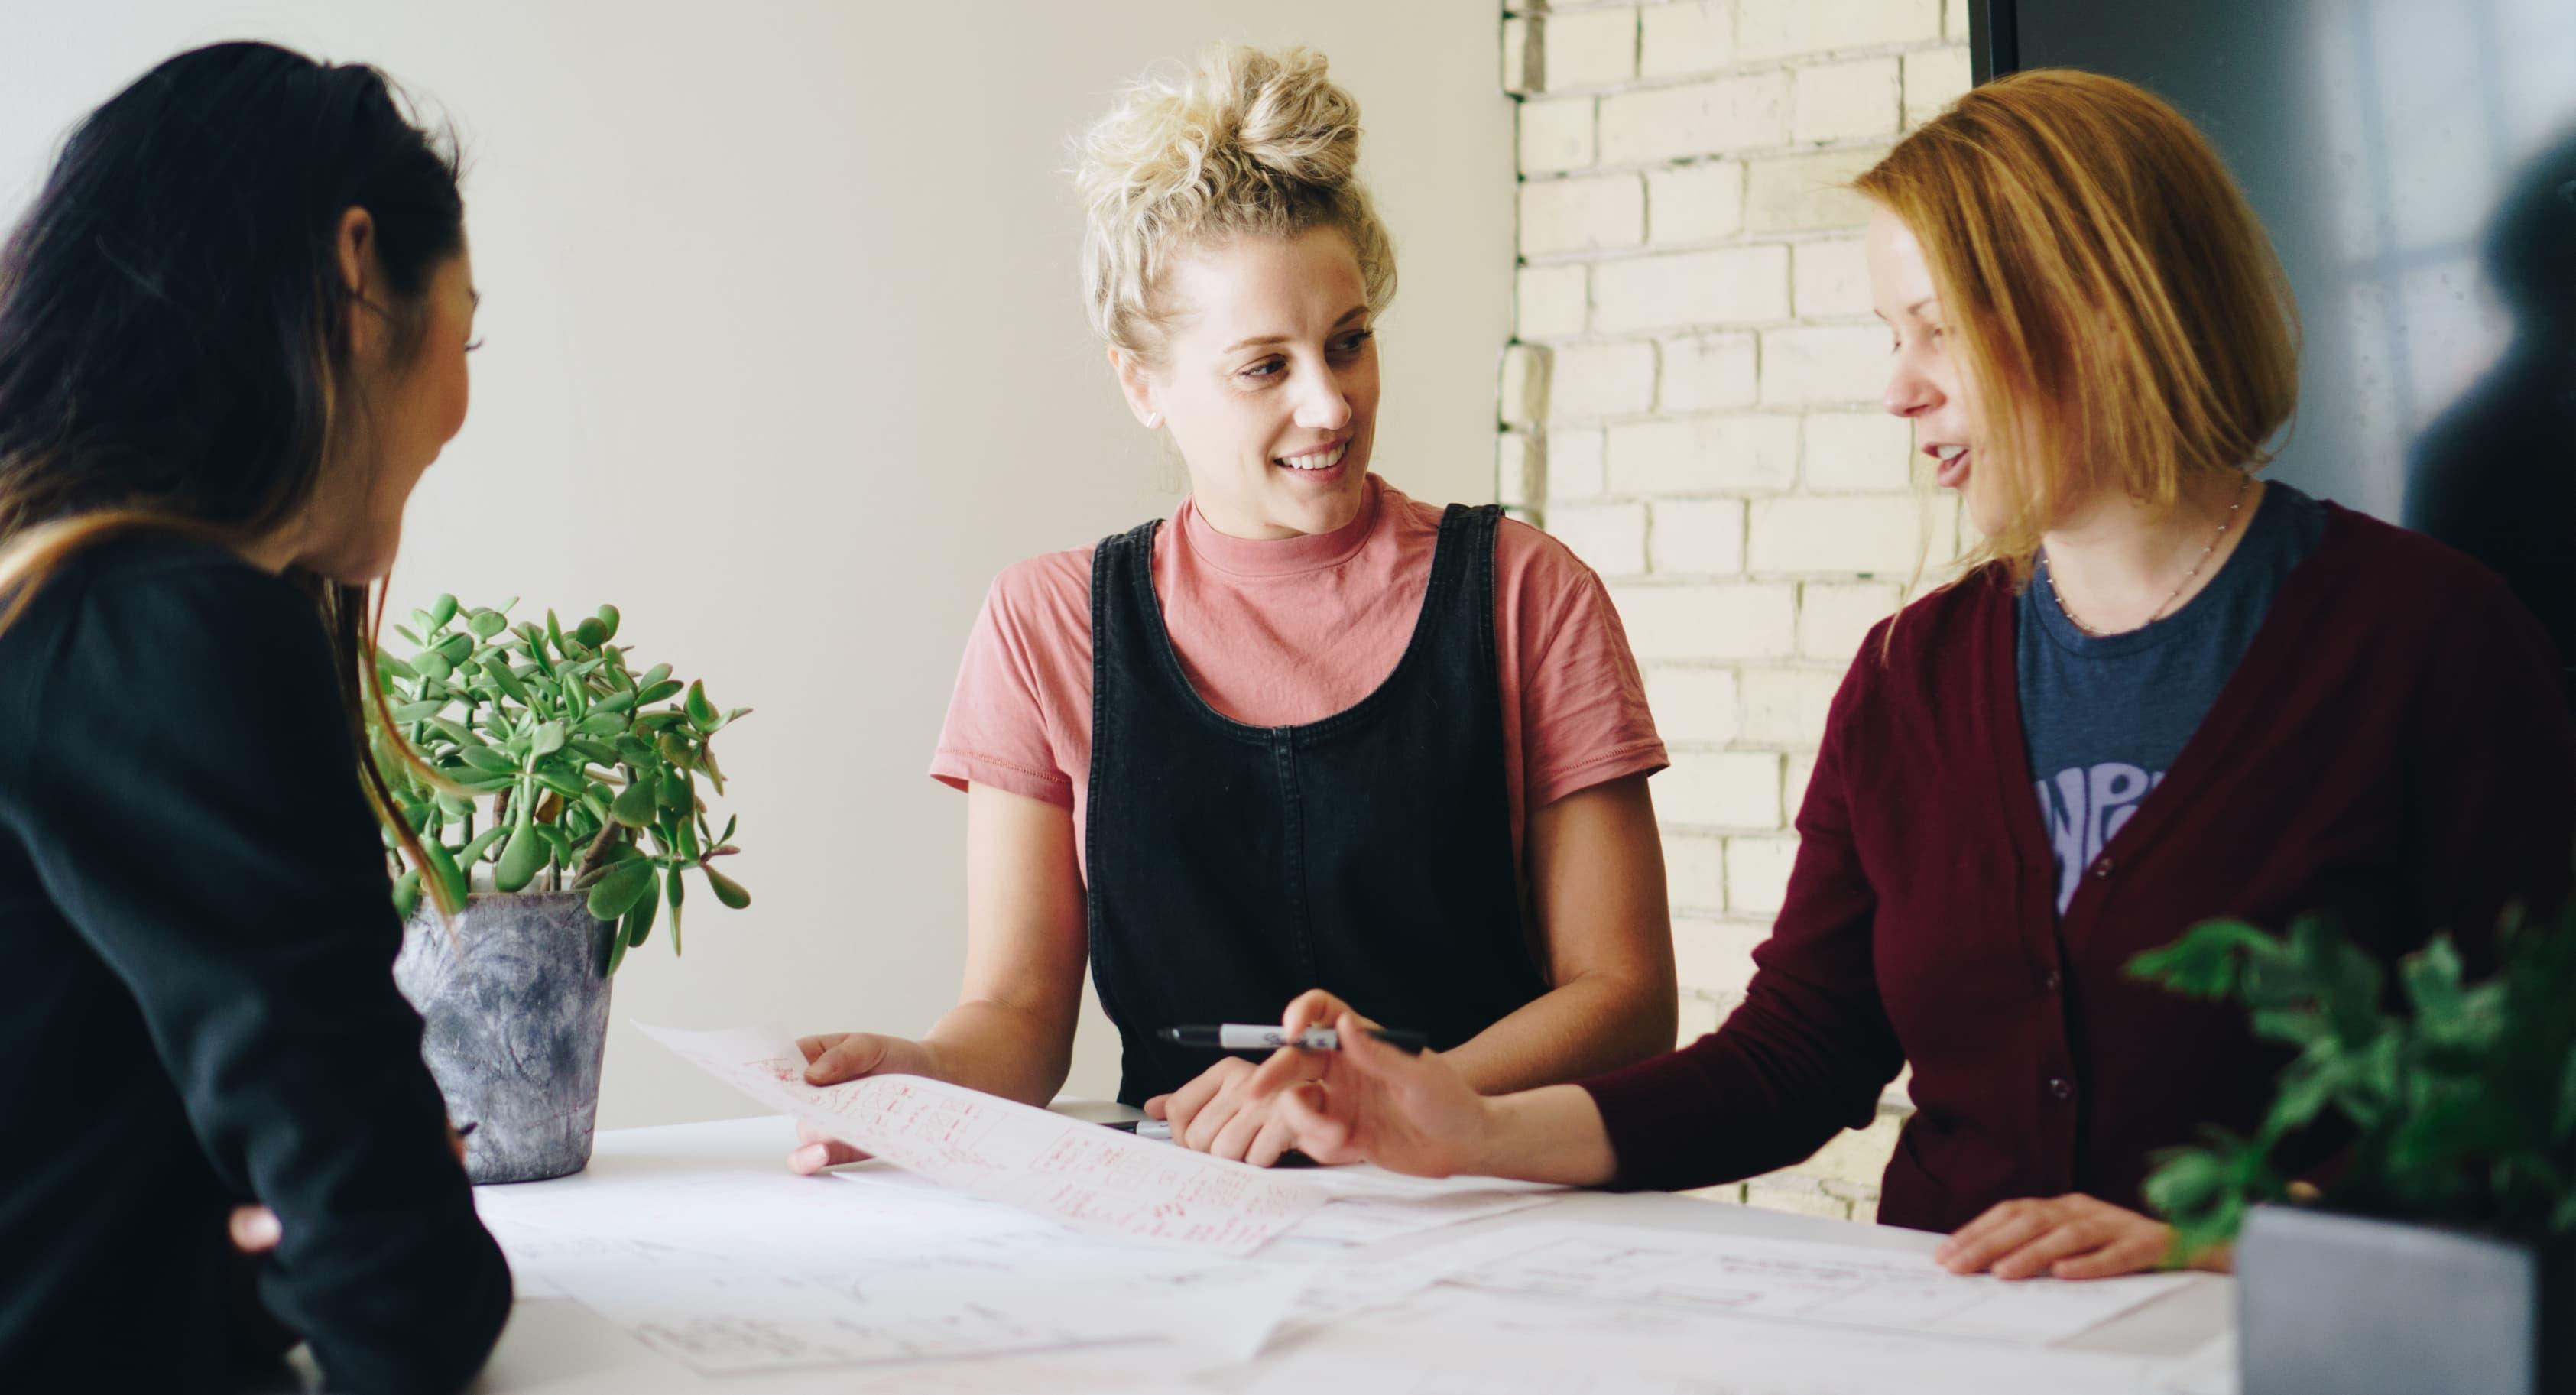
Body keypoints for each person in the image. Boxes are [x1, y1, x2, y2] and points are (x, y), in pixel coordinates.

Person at [1234, 69, 2576, 1279]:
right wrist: (1467, 1127)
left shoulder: (2433, 643)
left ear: (2101, 314)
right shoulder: (1907, 676)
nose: (1898, 388)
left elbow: (2533, 1090)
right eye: (1890, 333)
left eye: (1935, 328)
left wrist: (2233, 1239)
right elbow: (1792, 1057)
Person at [790, 44, 1676, 1170]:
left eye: (1348, 342)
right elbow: (1015, 1017)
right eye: (1264, 367)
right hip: (1182, 1218)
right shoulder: (1047, 623)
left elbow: (1627, 1000)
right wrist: (918, 1076)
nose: (1330, 404)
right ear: (1142, 382)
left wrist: (1397, 1100)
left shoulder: (1524, 591)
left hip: (1480, 1203)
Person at [0, 42, 512, 1391]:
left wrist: (228, 1256)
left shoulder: (48, 611)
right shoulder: (164, 628)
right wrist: (366, 1210)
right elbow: (405, 1291)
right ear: (357, 270)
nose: (464, 398)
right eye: (468, 326)